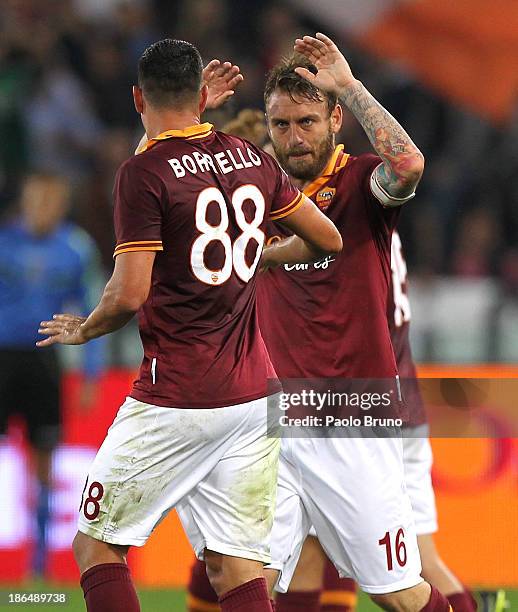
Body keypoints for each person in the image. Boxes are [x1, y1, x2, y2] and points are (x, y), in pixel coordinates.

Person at [37, 38, 342, 612]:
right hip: (253, 396)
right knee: (236, 566)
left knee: (97, 546)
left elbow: (129, 293)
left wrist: (86, 330)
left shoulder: (141, 172)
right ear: (203, 95)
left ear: (136, 99)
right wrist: (258, 256)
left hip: (176, 394)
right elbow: (328, 238)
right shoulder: (253, 160)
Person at [257, 34, 453, 612]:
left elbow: (409, 164)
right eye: (282, 124)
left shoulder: (363, 184)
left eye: (308, 122)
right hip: (275, 415)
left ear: (335, 119)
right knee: (245, 581)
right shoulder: (258, 195)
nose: (294, 138)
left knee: (398, 592)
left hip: (354, 414)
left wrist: (349, 84)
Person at [0, 172, 103, 576]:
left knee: (45, 461)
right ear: (24, 202)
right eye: (35, 200)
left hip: (45, 363)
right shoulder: (4, 242)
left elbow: (92, 311)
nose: (42, 208)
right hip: (2, 357)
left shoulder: (75, 249)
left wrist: (91, 374)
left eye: (50, 201)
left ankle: (38, 564)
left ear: (61, 204)